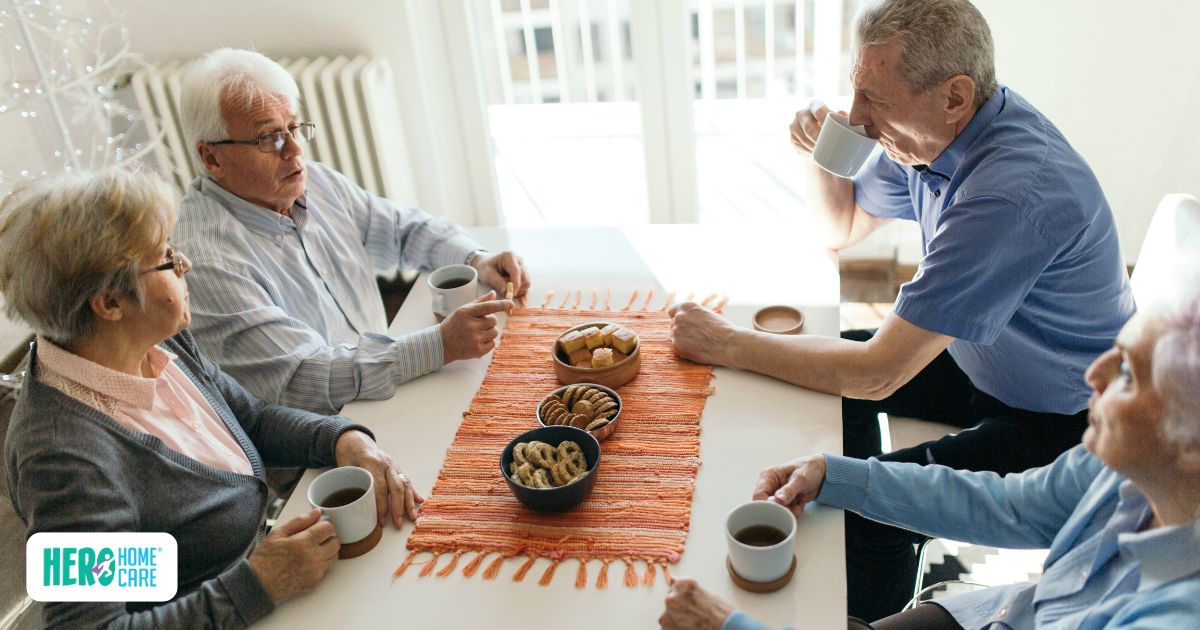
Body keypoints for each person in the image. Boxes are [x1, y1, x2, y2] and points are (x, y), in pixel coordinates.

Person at [669, 0, 1134, 618]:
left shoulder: (1010, 192)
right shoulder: (933, 138)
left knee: (867, 505)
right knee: (831, 395)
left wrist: (726, 343)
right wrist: (827, 154)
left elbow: (877, 371)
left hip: (1058, 415)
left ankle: (861, 616)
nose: (858, 117)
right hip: (985, 360)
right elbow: (841, 227)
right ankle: (841, 469)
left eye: (874, 101)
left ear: (953, 95)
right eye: (856, 91)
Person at [1, 168, 423, 627]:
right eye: (165, 258)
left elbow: (251, 420)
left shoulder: (155, 341)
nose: (186, 265)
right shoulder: (64, 456)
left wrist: (343, 439)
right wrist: (256, 584)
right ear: (110, 304)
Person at [660, 275, 1200, 629]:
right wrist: (833, 474)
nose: (1093, 375)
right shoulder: (1123, 466)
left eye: (1127, 373)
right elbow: (1011, 505)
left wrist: (730, 626)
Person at [174, 48, 530, 415]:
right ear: (211, 157)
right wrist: (438, 345)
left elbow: (401, 230)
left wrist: (476, 259)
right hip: (326, 440)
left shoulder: (315, 183)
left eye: (294, 128)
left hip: (383, 384)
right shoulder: (207, 262)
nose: (295, 152)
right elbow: (304, 376)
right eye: (269, 138)